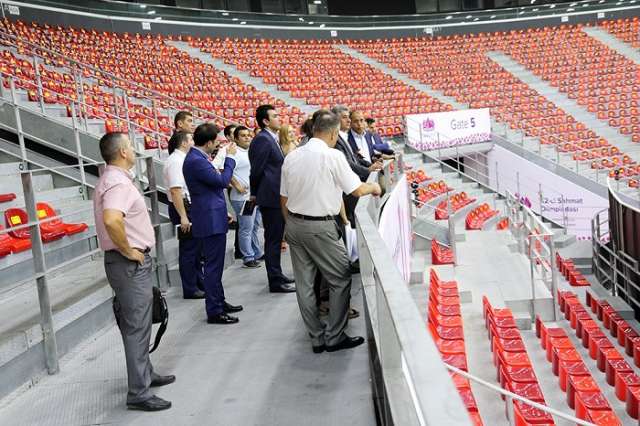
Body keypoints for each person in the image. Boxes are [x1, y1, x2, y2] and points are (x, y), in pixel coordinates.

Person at [280, 110, 382, 353]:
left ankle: (316, 338)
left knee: (305, 285)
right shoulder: (332, 156)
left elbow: (283, 197)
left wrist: (290, 224)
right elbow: (356, 190)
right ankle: (334, 336)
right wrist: (375, 187)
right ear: (334, 133)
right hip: (320, 226)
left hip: (294, 223)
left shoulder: (292, 157)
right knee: (339, 277)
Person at [94, 132, 174, 411]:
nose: (134, 148)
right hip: (127, 263)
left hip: (128, 263)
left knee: (139, 323)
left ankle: (145, 374)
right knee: (137, 327)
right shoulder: (117, 183)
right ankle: (138, 392)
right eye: (130, 145)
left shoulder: (113, 179)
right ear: (123, 152)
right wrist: (129, 251)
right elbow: (111, 219)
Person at [183, 123, 243, 324]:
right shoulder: (196, 160)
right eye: (216, 142)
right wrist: (231, 159)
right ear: (208, 142)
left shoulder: (198, 158)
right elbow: (221, 181)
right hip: (208, 219)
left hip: (212, 214)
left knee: (215, 265)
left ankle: (219, 301)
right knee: (213, 267)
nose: (218, 145)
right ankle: (215, 309)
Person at [248, 104, 295, 294]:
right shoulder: (262, 140)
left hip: (276, 195)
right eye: (275, 116)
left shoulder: (271, 138)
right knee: (273, 240)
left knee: (276, 238)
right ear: (266, 121)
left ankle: (278, 274)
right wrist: (254, 193)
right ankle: (274, 280)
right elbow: (256, 170)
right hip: (270, 197)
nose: (279, 118)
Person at [163, 130, 204, 299]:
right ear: (184, 143)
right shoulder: (175, 161)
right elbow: (176, 190)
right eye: (191, 139)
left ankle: (198, 283)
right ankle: (190, 288)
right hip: (183, 208)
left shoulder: (181, 159)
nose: (193, 142)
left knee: (195, 249)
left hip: (189, 206)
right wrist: (183, 216)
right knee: (188, 250)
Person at [230, 125, 263, 268]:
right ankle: (248, 257)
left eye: (248, 135)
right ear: (236, 138)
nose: (247, 137)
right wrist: (236, 185)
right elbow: (223, 169)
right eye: (243, 135)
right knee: (246, 227)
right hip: (242, 198)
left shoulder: (249, 151)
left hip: (253, 196)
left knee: (254, 226)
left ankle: (256, 252)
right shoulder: (233, 152)